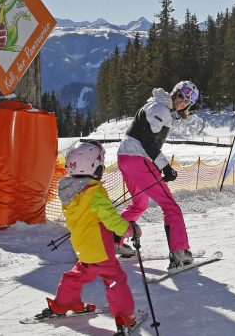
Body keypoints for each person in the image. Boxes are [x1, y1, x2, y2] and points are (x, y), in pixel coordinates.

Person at [33, 140, 140, 333]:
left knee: (77, 274)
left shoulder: (69, 191)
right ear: (93, 166)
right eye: (101, 164)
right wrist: (130, 229)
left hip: (82, 248)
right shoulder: (94, 192)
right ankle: (124, 316)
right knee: (115, 279)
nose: (103, 168)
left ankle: (63, 303)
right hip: (100, 249)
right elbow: (111, 220)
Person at [117, 80, 199, 269]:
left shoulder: (159, 106)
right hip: (137, 158)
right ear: (175, 92)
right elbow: (147, 141)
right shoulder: (161, 108)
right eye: (181, 96)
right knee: (170, 206)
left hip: (126, 157)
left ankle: (115, 240)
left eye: (187, 101)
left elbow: (145, 138)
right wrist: (165, 167)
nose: (182, 102)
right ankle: (179, 252)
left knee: (140, 203)